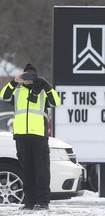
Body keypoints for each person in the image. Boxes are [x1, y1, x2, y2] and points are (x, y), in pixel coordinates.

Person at [0, 64, 60, 210]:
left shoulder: (43, 92)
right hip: (21, 136)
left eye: (31, 75)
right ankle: (29, 201)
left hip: (38, 136)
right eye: (26, 75)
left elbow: (56, 102)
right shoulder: (17, 92)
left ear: (36, 77)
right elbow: (3, 95)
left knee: (41, 170)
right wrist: (15, 81)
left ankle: (43, 201)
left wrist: (46, 85)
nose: (28, 78)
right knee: (27, 170)